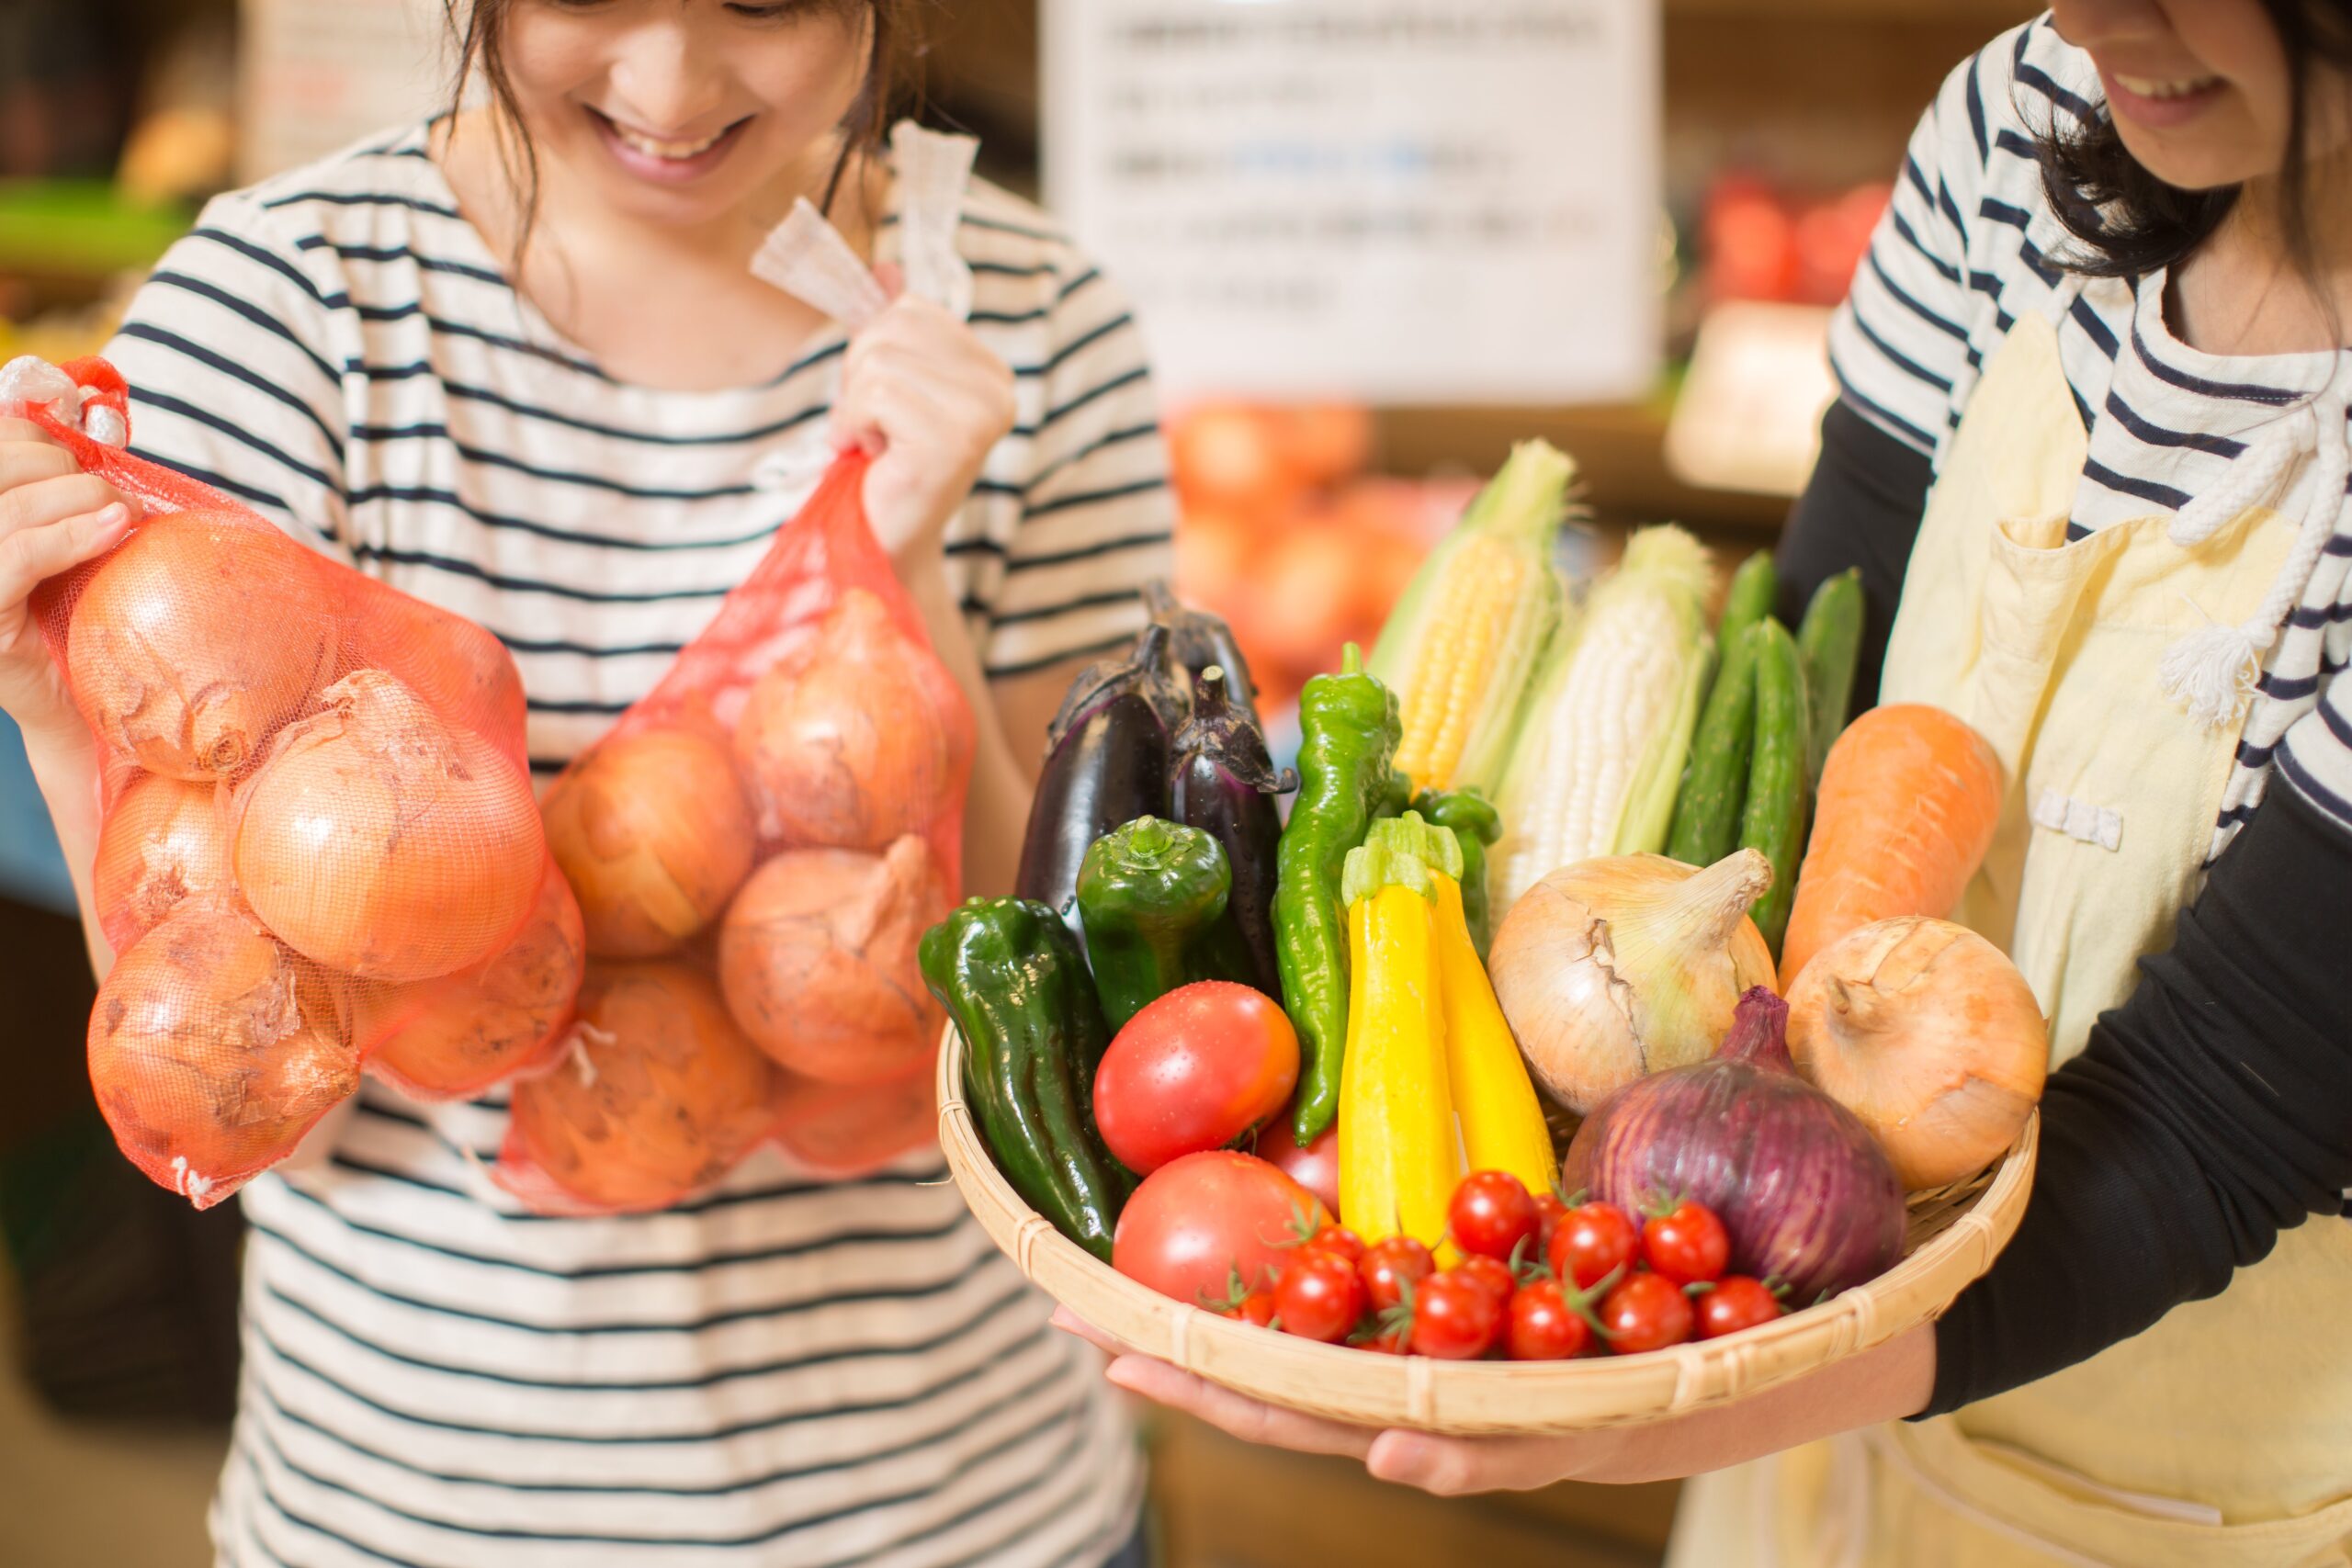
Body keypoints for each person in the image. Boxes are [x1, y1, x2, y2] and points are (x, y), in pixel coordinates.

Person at [1073, 3, 2352, 1562]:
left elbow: (2223, 1113)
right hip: (1790, 1318)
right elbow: (1811, 657)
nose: (2096, 18)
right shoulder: (2022, 117)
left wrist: (1694, 1394)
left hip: (2188, 1456)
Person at [0, 2, 1171, 1562]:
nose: (668, 88)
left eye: (763, 1)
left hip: (962, 1502)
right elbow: (251, 1085)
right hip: (421, 1507)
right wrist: (55, 707)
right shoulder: (286, 309)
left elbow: (1085, 984)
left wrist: (907, 576)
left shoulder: (1036, 319)